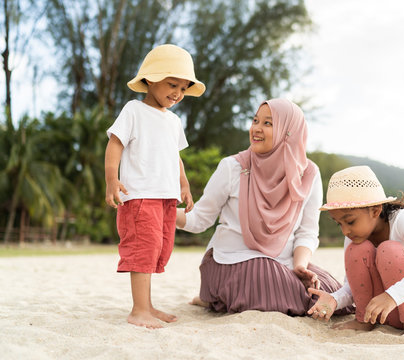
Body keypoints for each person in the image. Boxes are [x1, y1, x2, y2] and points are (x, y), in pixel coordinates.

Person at [176, 99, 351, 315]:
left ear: (289, 131)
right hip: (232, 259)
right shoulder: (233, 167)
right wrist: (162, 212)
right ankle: (212, 295)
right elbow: (200, 219)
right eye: (255, 120)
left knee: (326, 290)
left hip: (285, 263)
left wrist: (300, 265)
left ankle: (219, 298)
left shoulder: (309, 174)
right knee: (268, 280)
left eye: (268, 123)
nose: (256, 128)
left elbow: (307, 231)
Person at [104, 44, 205, 329]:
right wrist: (112, 179)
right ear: (149, 79)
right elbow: (115, 144)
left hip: (166, 197)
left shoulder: (173, 121)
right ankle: (138, 310)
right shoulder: (133, 110)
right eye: (172, 84)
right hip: (139, 196)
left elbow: (175, 157)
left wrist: (183, 186)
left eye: (183, 88)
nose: (177, 93)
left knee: (158, 248)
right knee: (142, 250)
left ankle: (147, 305)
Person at [308, 166, 404, 336]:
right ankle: (363, 321)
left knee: (388, 250)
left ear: (375, 210)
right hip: (377, 312)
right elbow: (354, 285)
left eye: (350, 221)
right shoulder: (354, 235)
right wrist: (334, 299)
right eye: (339, 224)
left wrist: (393, 295)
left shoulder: (401, 219)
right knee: (356, 249)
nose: (345, 231)